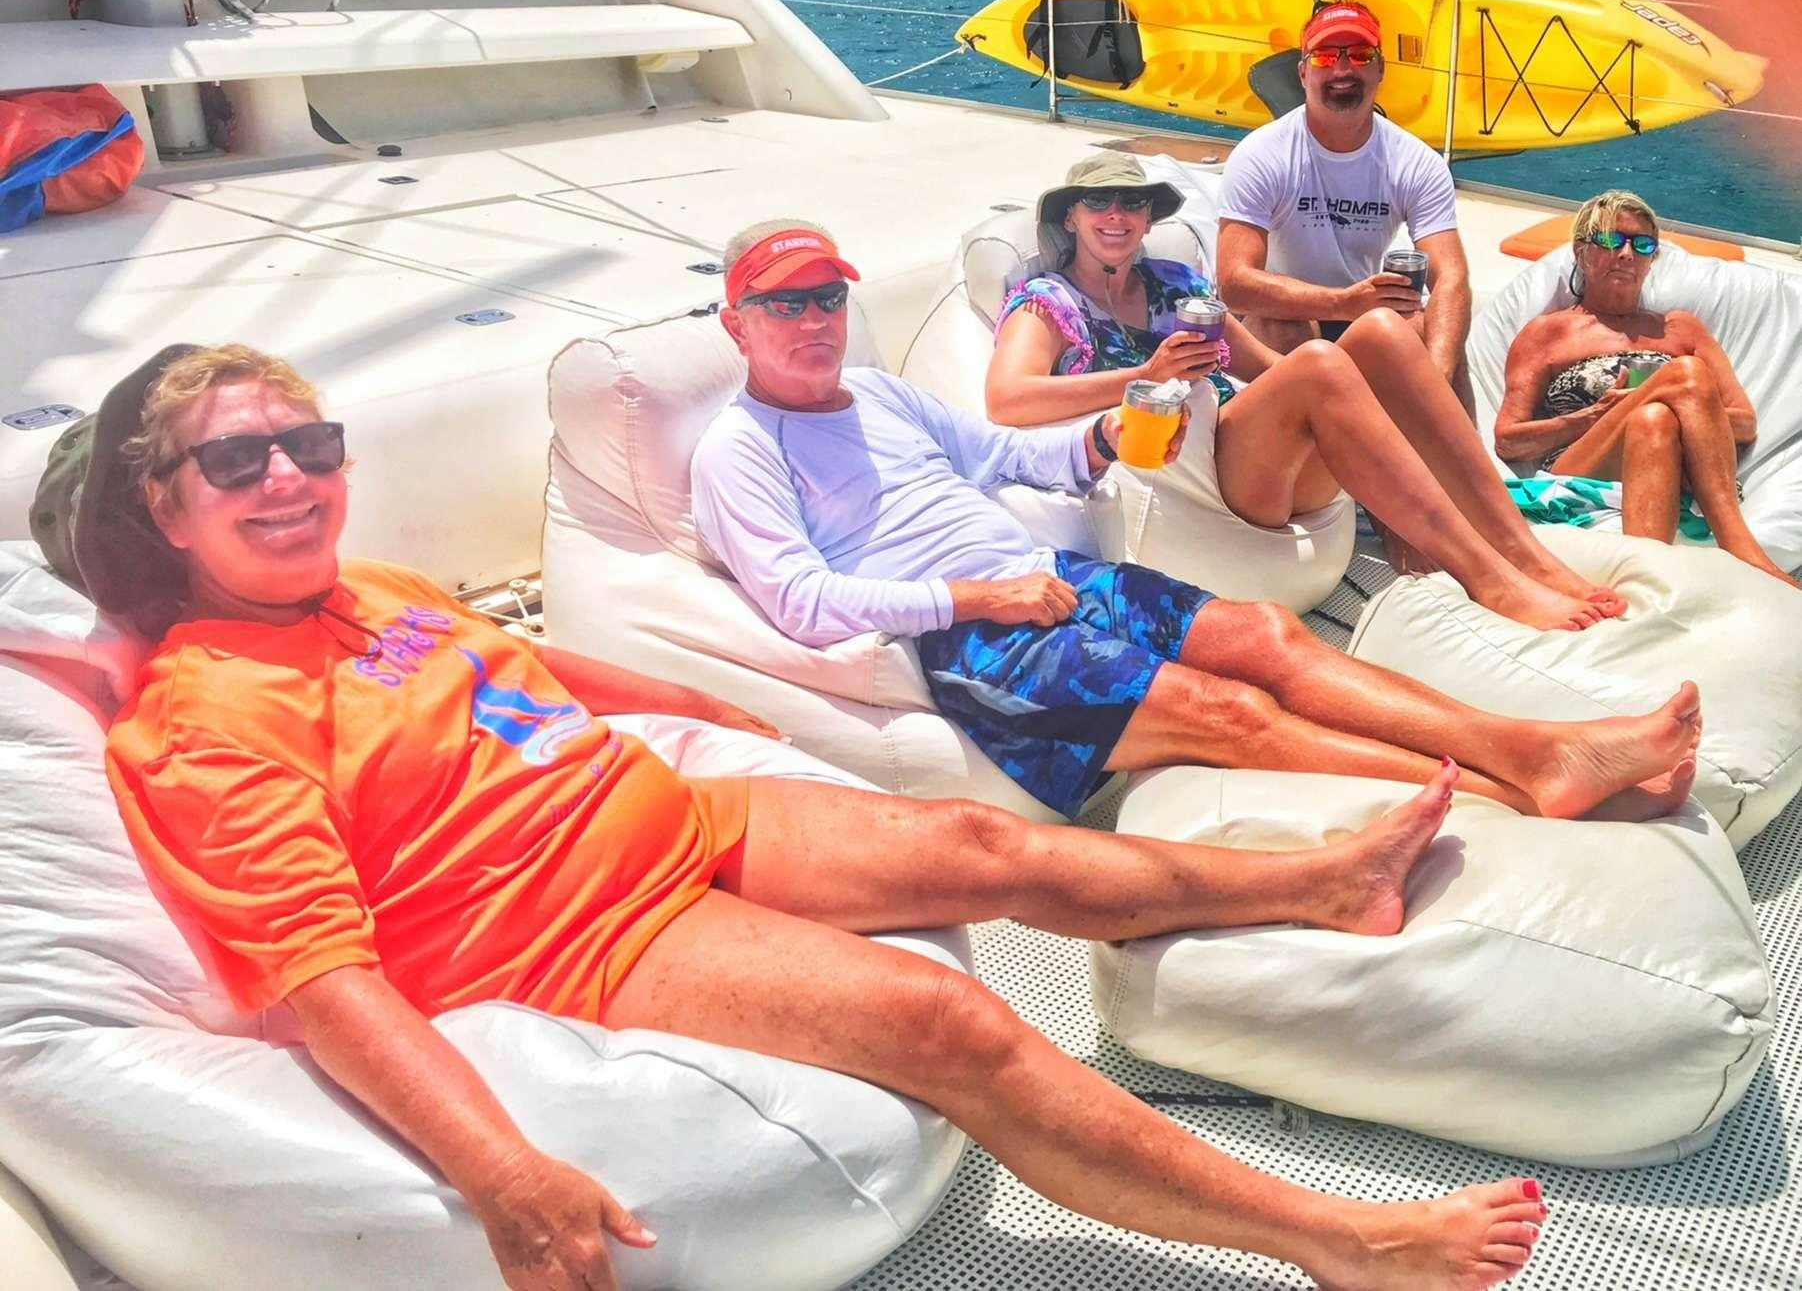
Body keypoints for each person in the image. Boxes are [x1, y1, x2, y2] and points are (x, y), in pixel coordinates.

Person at [63, 342, 1553, 1291]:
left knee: (990, 847)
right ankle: (1338, 1243)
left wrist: (719, 714)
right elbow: (325, 976)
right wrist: (501, 1172)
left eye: (308, 446)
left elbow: (520, 666)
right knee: (948, 1023)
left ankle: (1296, 888)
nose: (289, 479)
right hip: (576, 928)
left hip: (661, 812)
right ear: (162, 508)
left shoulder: (367, 591)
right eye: (235, 460)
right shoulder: (199, 716)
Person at [694, 221, 1700, 830]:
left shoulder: (875, 391)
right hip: (975, 635)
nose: (812, 319)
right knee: (1228, 714)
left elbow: (999, 453)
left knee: (1265, 638)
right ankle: (1523, 792)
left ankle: (1533, 749)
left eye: (824, 297)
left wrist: (1092, 442)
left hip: (1044, 576)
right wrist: (975, 595)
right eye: (783, 305)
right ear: (736, 323)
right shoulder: (737, 448)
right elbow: (801, 601)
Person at [986, 153, 1620, 628]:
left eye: (1131, 202)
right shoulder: (1049, 303)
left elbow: (1262, 369)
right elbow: (1007, 398)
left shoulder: (1175, 283)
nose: (1116, 217)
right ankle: (1488, 578)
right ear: (1071, 216)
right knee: (1319, 360)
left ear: (1150, 216)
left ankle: (1521, 551)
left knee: (1380, 332)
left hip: (1248, 464)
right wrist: (1147, 375)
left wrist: (1352, 338)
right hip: (1185, 489)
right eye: (1099, 204)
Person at [1494, 189, 1797, 589]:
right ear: (1582, 252)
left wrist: (1669, 405)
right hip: (1584, 462)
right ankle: (1740, 547)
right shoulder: (1549, 334)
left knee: (1654, 419)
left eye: (1642, 244)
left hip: (1676, 460)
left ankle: (1649, 583)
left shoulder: (1682, 329)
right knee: (1684, 373)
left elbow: (1743, 424)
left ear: (1652, 260)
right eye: (1610, 240)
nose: (1626, 253)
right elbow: (1508, 440)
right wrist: (1592, 417)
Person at [1214, 0, 1473, 393]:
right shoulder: (1262, 154)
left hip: (1363, 315)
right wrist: (1343, 303)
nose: (1342, 69)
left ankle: (1456, 451)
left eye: (1360, 54)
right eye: (1324, 57)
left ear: (1380, 68)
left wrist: (1437, 375)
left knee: (1432, 330)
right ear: (1303, 73)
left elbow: (1451, 277)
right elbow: (1234, 282)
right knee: (1286, 327)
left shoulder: (1416, 162)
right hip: (1284, 317)